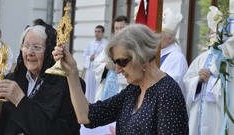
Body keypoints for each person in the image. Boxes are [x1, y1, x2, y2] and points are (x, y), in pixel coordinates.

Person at [53, 24, 189, 134]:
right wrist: (71, 72)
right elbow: (87, 116)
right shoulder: (134, 90)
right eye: (115, 62)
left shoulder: (167, 94)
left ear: (142, 56)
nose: (117, 70)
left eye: (122, 62)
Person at [0, 21, 85, 135]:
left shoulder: (69, 85)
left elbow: (60, 131)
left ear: (50, 52)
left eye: (37, 47)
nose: (29, 53)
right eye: (26, 46)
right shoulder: (12, 79)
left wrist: (19, 100)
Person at [183, 10, 225, 135]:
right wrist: (198, 80)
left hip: (215, 114)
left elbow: (229, 91)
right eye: (211, 33)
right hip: (198, 111)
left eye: (215, 33)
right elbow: (187, 79)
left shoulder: (228, 61)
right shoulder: (202, 57)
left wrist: (210, 81)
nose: (212, 36)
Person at [93, 15, 130, 101]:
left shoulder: (132, 47)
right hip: (108, 85)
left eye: (122, 28)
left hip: (124, 86)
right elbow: (97, 64)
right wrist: (106, 67)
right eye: (117, 28)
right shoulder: (109, 46)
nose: (119, 31)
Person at [160, 7, 188, 97]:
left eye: (160, 36)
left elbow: (171, 85)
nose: (155, 38)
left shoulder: (177, 58)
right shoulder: (159, 53)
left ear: (170, 38)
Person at [83, 25, 107, 103]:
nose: (97, 33)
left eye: (99, 31)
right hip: (90, 70)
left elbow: (105, 57)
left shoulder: (105, 44)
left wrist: (95, 57)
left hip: (98, 72)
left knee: (96, 89)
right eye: (95, 31)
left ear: (103, 33)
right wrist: (89, 57)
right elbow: (85, 55)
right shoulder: (90, 43)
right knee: (88, 88)